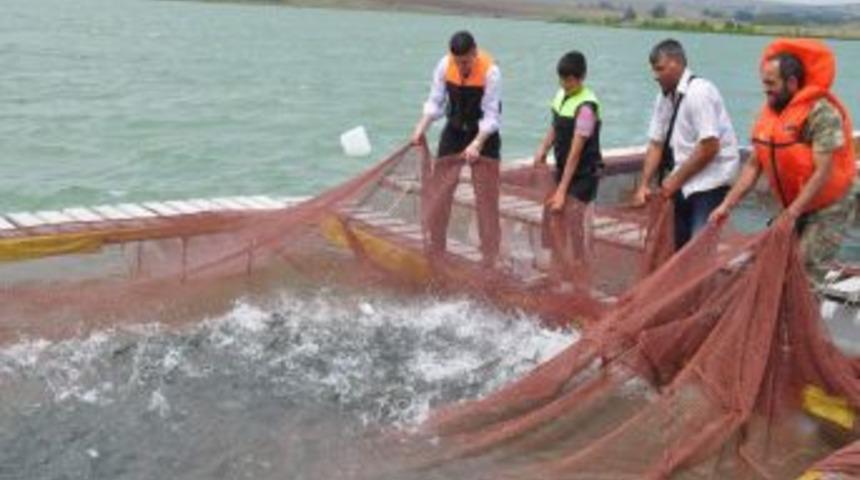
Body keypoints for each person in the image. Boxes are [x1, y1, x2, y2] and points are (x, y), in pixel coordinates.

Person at [709, 38, 856, 283]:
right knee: (774, 263)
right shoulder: (769, 115)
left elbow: (823, 172)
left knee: (804, 270)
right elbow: (754, 164)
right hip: (796, 204)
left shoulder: (823, 113)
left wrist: (791, 214)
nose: (765, 90)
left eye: (771, 83)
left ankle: (802, 316)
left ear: (792, 82)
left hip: (830, 205)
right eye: (763, 83)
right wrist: (726, 205)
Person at [633, 39, 741, 250]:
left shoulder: (699, 92)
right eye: (653, 70)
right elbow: (656, 143)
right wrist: (644, 185)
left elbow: (709, 146)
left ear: (677, 63)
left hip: (710, 183)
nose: (655, 76)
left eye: (660, 69)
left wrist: (673, 181)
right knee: (679, 247)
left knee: (698, 250)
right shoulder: (664, 98)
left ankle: (702, 284)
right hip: (683, 182)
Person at [411, 30, 502, 266]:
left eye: (466, 61)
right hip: (453, 130)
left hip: (484, 134)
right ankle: (436, 247)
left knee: (486, 200)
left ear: (475, 52)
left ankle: (489, 258)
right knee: (440, 191)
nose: (461, 66)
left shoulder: (491, 72)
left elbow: (492, 116)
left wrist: (477, 144)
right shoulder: (444, 64)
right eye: (457, 61)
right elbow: (436, 101)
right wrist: (421, 127)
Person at [533, 51, 603, 282]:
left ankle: (579, 278)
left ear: (581, 77)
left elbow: (576, 151)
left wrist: (562, 190)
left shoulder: (586, 108)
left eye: (570, 80)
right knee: (553, 218)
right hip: (563, 170)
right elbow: (555, 126)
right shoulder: (562, 95)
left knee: (573, 223)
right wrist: (543, 148)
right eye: (562, 79)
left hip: (583, 174)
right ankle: (556, 273)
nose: (565, 84)